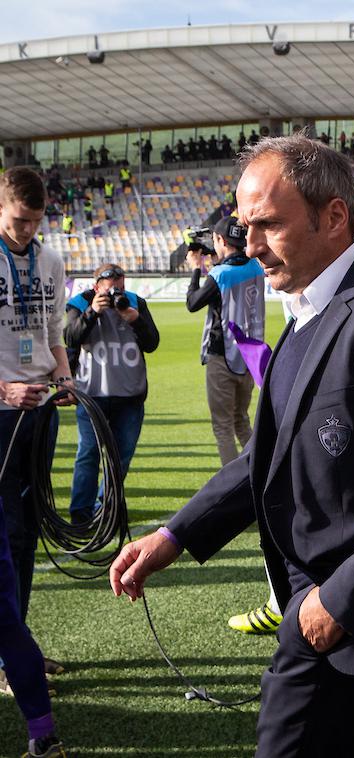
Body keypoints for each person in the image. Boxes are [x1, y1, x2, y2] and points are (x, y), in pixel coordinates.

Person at [109, 135, 354, 758]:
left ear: (333, 217)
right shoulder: (310, 304)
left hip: (351, 620)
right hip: (345, 620)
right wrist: (175, 534)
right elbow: (270, 453)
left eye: (268, 225)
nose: (250, 245)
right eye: (245, 225)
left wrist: (339, 599)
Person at [0, 168, 69, 757]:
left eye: (34, 223)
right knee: (6, 535)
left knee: (26, 535)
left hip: (40, 410)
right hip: (1, 411)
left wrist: (64, 375)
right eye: (18, 221)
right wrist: (2, 389)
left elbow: (51, 330)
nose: (26, 232)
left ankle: (16, 644)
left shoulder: (48, 261)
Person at [64, 263, 160, 525]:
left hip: (129, 395)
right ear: (96, 287)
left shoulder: (135, 303)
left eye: (120, 286)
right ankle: (80, 513)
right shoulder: (79, 303)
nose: (117, 292)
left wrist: (135, 319)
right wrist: (93, 312)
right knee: (88, 453)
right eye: (110, 288)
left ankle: (106, 507)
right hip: (92, 394)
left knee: (122, 456)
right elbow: (71, 338)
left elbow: (152, 342)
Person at [185, 215, 265, 465]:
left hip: (223, 355)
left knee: (223, 427)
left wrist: (196, 267)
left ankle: (232, 486)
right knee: (242, 421)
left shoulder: (220, 274)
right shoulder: (255, 267)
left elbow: (192, 303)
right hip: (250, 357)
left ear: (220, 239)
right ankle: (260, 471)